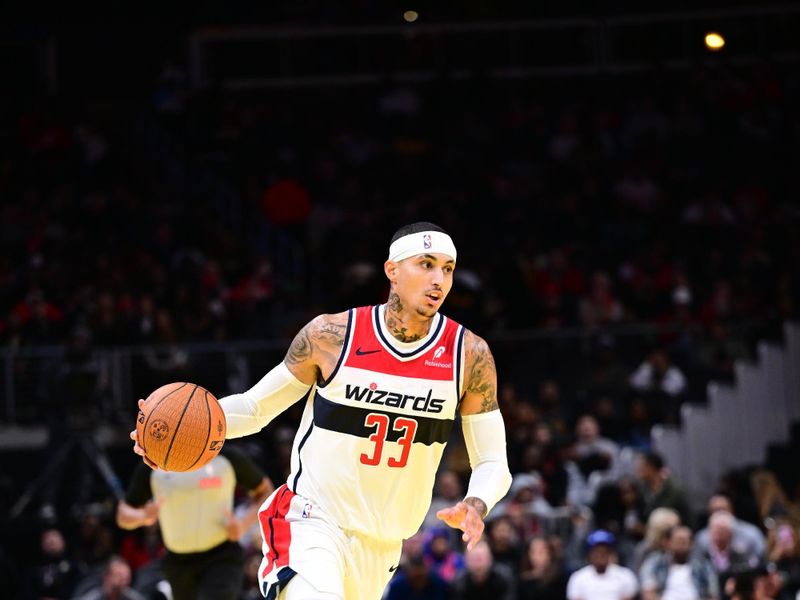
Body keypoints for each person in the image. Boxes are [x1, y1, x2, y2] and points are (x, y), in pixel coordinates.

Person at [131, 222, 513, 600]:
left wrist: (477, 502)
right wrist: (181, 431)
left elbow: (493, 461)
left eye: (447, 268)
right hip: (312, 519)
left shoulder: (468, 356)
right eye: (426, 264)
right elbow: (255, 408)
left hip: (382, 543)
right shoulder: (331, 336)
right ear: (392, 271)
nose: (439, 279)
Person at [117, 445, 273, 600]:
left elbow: (266, 492)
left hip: (222, 555)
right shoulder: (154, 462)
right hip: (178, 562)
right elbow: (123, 515)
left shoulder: (227, 457)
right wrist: (143, 515)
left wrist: (243, 524)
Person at [640, 525, 719, 600]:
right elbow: (648, 591)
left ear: (691, 544)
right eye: (678, 541)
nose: (681, 545)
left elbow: (714, 595)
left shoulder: (703, 565)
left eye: (684, 541)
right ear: (668, 542)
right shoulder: (655, 562)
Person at [566, 530, 639, 600]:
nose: (601, 555)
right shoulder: (578, 578)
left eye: (605, 551)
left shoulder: (625, 575)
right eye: (597, 551)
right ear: (590, 554)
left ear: (610, 553)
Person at [72, 555, 146, 600]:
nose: (124, 579)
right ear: (107, 576)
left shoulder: (132, 597)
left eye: (127, 576)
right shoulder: (93, 597)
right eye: (119, 575)